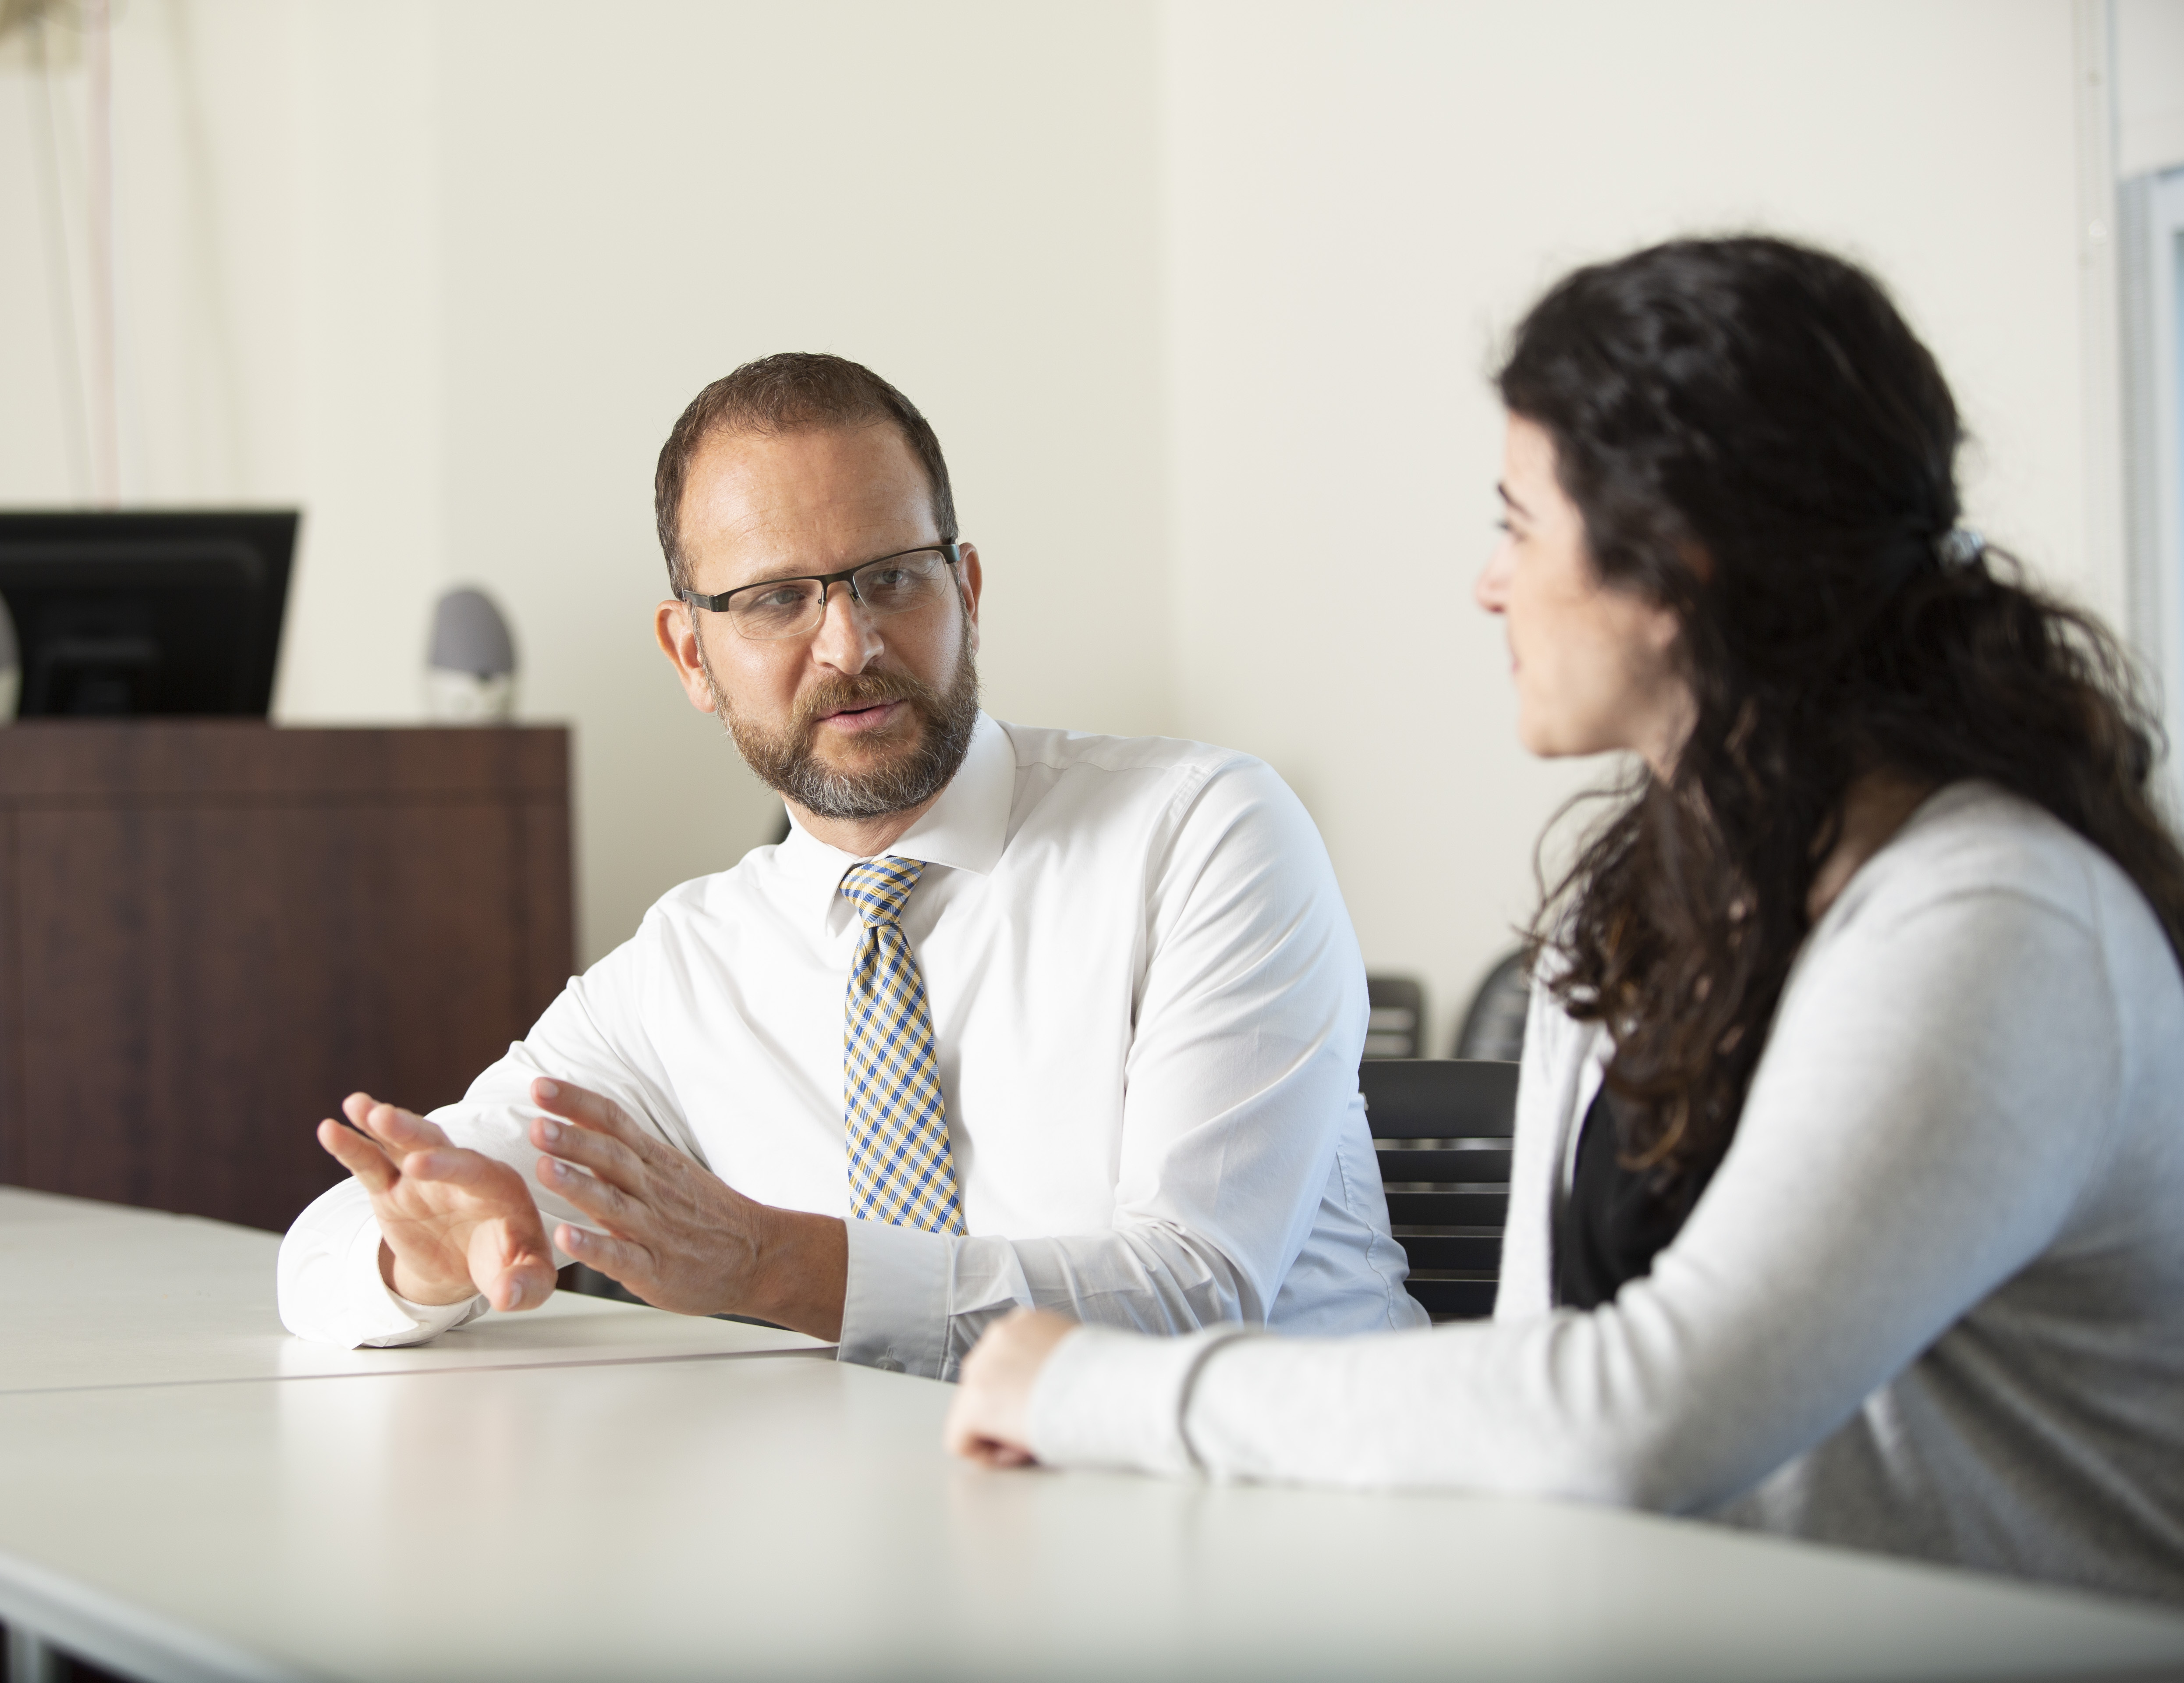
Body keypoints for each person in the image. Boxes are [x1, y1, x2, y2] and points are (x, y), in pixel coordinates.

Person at [946, 238, 2184, 1604]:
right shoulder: (1641, 900)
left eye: (1519, 524)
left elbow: (1634, 1413)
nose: (1490, 583)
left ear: (1678, 564)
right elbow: (1548, 1362)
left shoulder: (1998, 924)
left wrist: (1097, 1389)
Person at [277, 352, 1421, 1379]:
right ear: (692, 654)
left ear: (966, 591)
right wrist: (426, 1258)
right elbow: (329, 1254)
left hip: (1284, 1536)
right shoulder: (689, 966)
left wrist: (772, 1265)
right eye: (777, 600)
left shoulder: (1202, 833)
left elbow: (1196, 1293)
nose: (851, 645)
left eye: (893, 579)